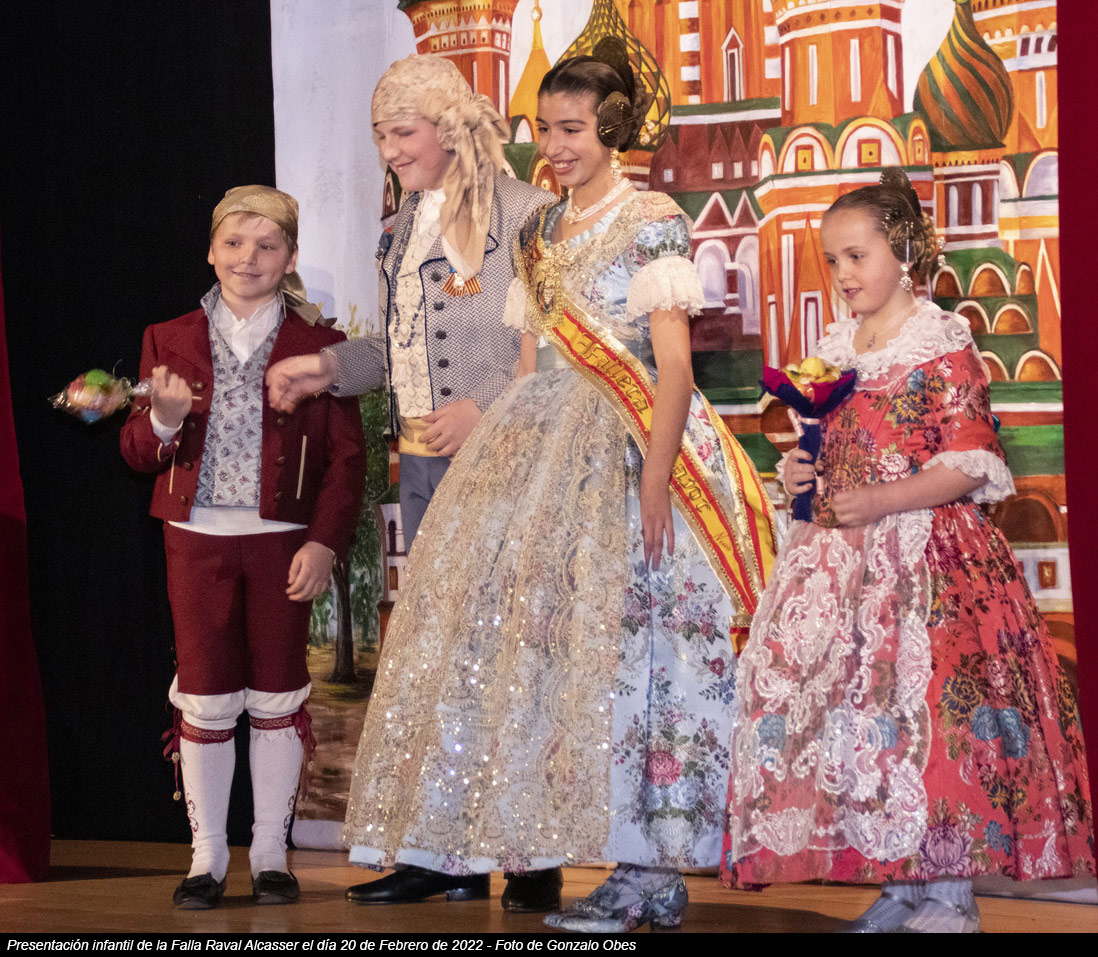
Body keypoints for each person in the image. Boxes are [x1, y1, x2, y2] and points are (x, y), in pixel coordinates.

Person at [338, 41, 777, 933]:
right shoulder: (539, 231)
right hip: (541, 447)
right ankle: (550, 848)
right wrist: (504, 474)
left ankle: (653, 866)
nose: (556, 145)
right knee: (555, 655)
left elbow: (675, 369)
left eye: (573, 128)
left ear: (611, 129)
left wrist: (656, 482)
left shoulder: (651, 218)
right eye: (545, 128)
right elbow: (530, 359)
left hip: (633, 448)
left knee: (645, 656)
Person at [722, 170, 1094, 932]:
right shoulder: (835, 348)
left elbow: (971, 461)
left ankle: (949, 892)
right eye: (833, 260)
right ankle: (899, 875)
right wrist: (800, 470)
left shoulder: (940, 340)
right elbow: (823, 444)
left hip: (927, 561)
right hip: (840, 563)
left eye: (857, 256)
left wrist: (884, 499)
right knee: (863, 720)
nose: (843, 274)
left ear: (903, 253)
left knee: (925, 714)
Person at [265, 55, 558, 911]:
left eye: (403, 132)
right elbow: (396, 355)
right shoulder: (400, 229)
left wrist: (487, 407)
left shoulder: (529, 218)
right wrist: (326, 366)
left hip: (509, 461)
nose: (390, 150)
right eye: (380, 136)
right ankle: (445, 853)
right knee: (438, 659)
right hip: (426, 469)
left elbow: (567, 346)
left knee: (510, 650)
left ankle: (530, 855)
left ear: (451, 126)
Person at [119, 186, 366, 909]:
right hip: (195, 541)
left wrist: (324, 542)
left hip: (281, 542)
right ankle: (206, 857)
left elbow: (347, 460)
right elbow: (136, 451)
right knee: (205, 694)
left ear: (290, 257)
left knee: (278, 692)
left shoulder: (322, 348)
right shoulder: (167, 337)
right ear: (210, 250)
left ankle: (269, 854)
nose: (247, 258)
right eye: (233, 242)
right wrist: (162, 422)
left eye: (266, 246)